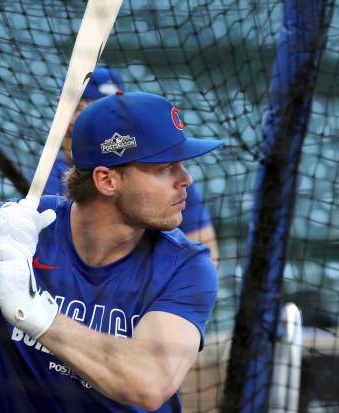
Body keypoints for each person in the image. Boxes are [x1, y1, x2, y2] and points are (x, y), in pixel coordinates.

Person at [0, 91, 224, 413]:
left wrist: (33, 314)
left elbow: (150, 382)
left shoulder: (186, 265)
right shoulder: (21, 226)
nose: (185, 179)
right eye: (165, 167)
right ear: (107, 179)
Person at [43, 65, 220, 267]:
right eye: (74, 109)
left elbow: (207, 262)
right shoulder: (48, 176)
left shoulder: (170, 184)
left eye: (93, 109)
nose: (76, 120)